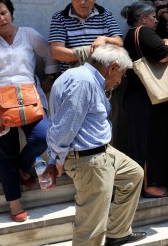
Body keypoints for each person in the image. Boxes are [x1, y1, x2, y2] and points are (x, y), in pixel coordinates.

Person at [45, 44, 145, 246]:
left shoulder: (85, 77)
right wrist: (54, 159)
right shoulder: (83, 82)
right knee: (91, 227)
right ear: (113, 67)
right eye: (122, 74)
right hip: (88, 159)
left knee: (134, 175)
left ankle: (118, 233)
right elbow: (64, 127)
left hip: (102, 151)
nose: (119, 80)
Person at [0, 0, 60, 222]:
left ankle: (22, 168)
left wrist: (50, 75)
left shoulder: (28, 34)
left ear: (10, 11)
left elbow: (49, 53)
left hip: (29, 98)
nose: (1, 18)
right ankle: (14, 201)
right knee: (6, 153)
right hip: (0, 105)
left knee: (42, 137)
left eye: (4, 12)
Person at [120, 1, 168, 199]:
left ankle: (148, 183)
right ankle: (150, 185)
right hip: (146, 97)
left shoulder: (132, 34)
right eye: (153, 16)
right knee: (148, 142)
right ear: (143, 17)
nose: (156, 20)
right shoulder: (143, 32)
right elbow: (162, 55)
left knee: (145, 141)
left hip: (139, 96)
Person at [48, 0, 123, 72]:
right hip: (74, 77)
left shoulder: (104, 14)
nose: (82, 2)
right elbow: (56, 52)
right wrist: (91, 53)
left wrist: (104, 39)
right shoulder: (60, 17)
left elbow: (119, 42)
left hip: (102, 77)